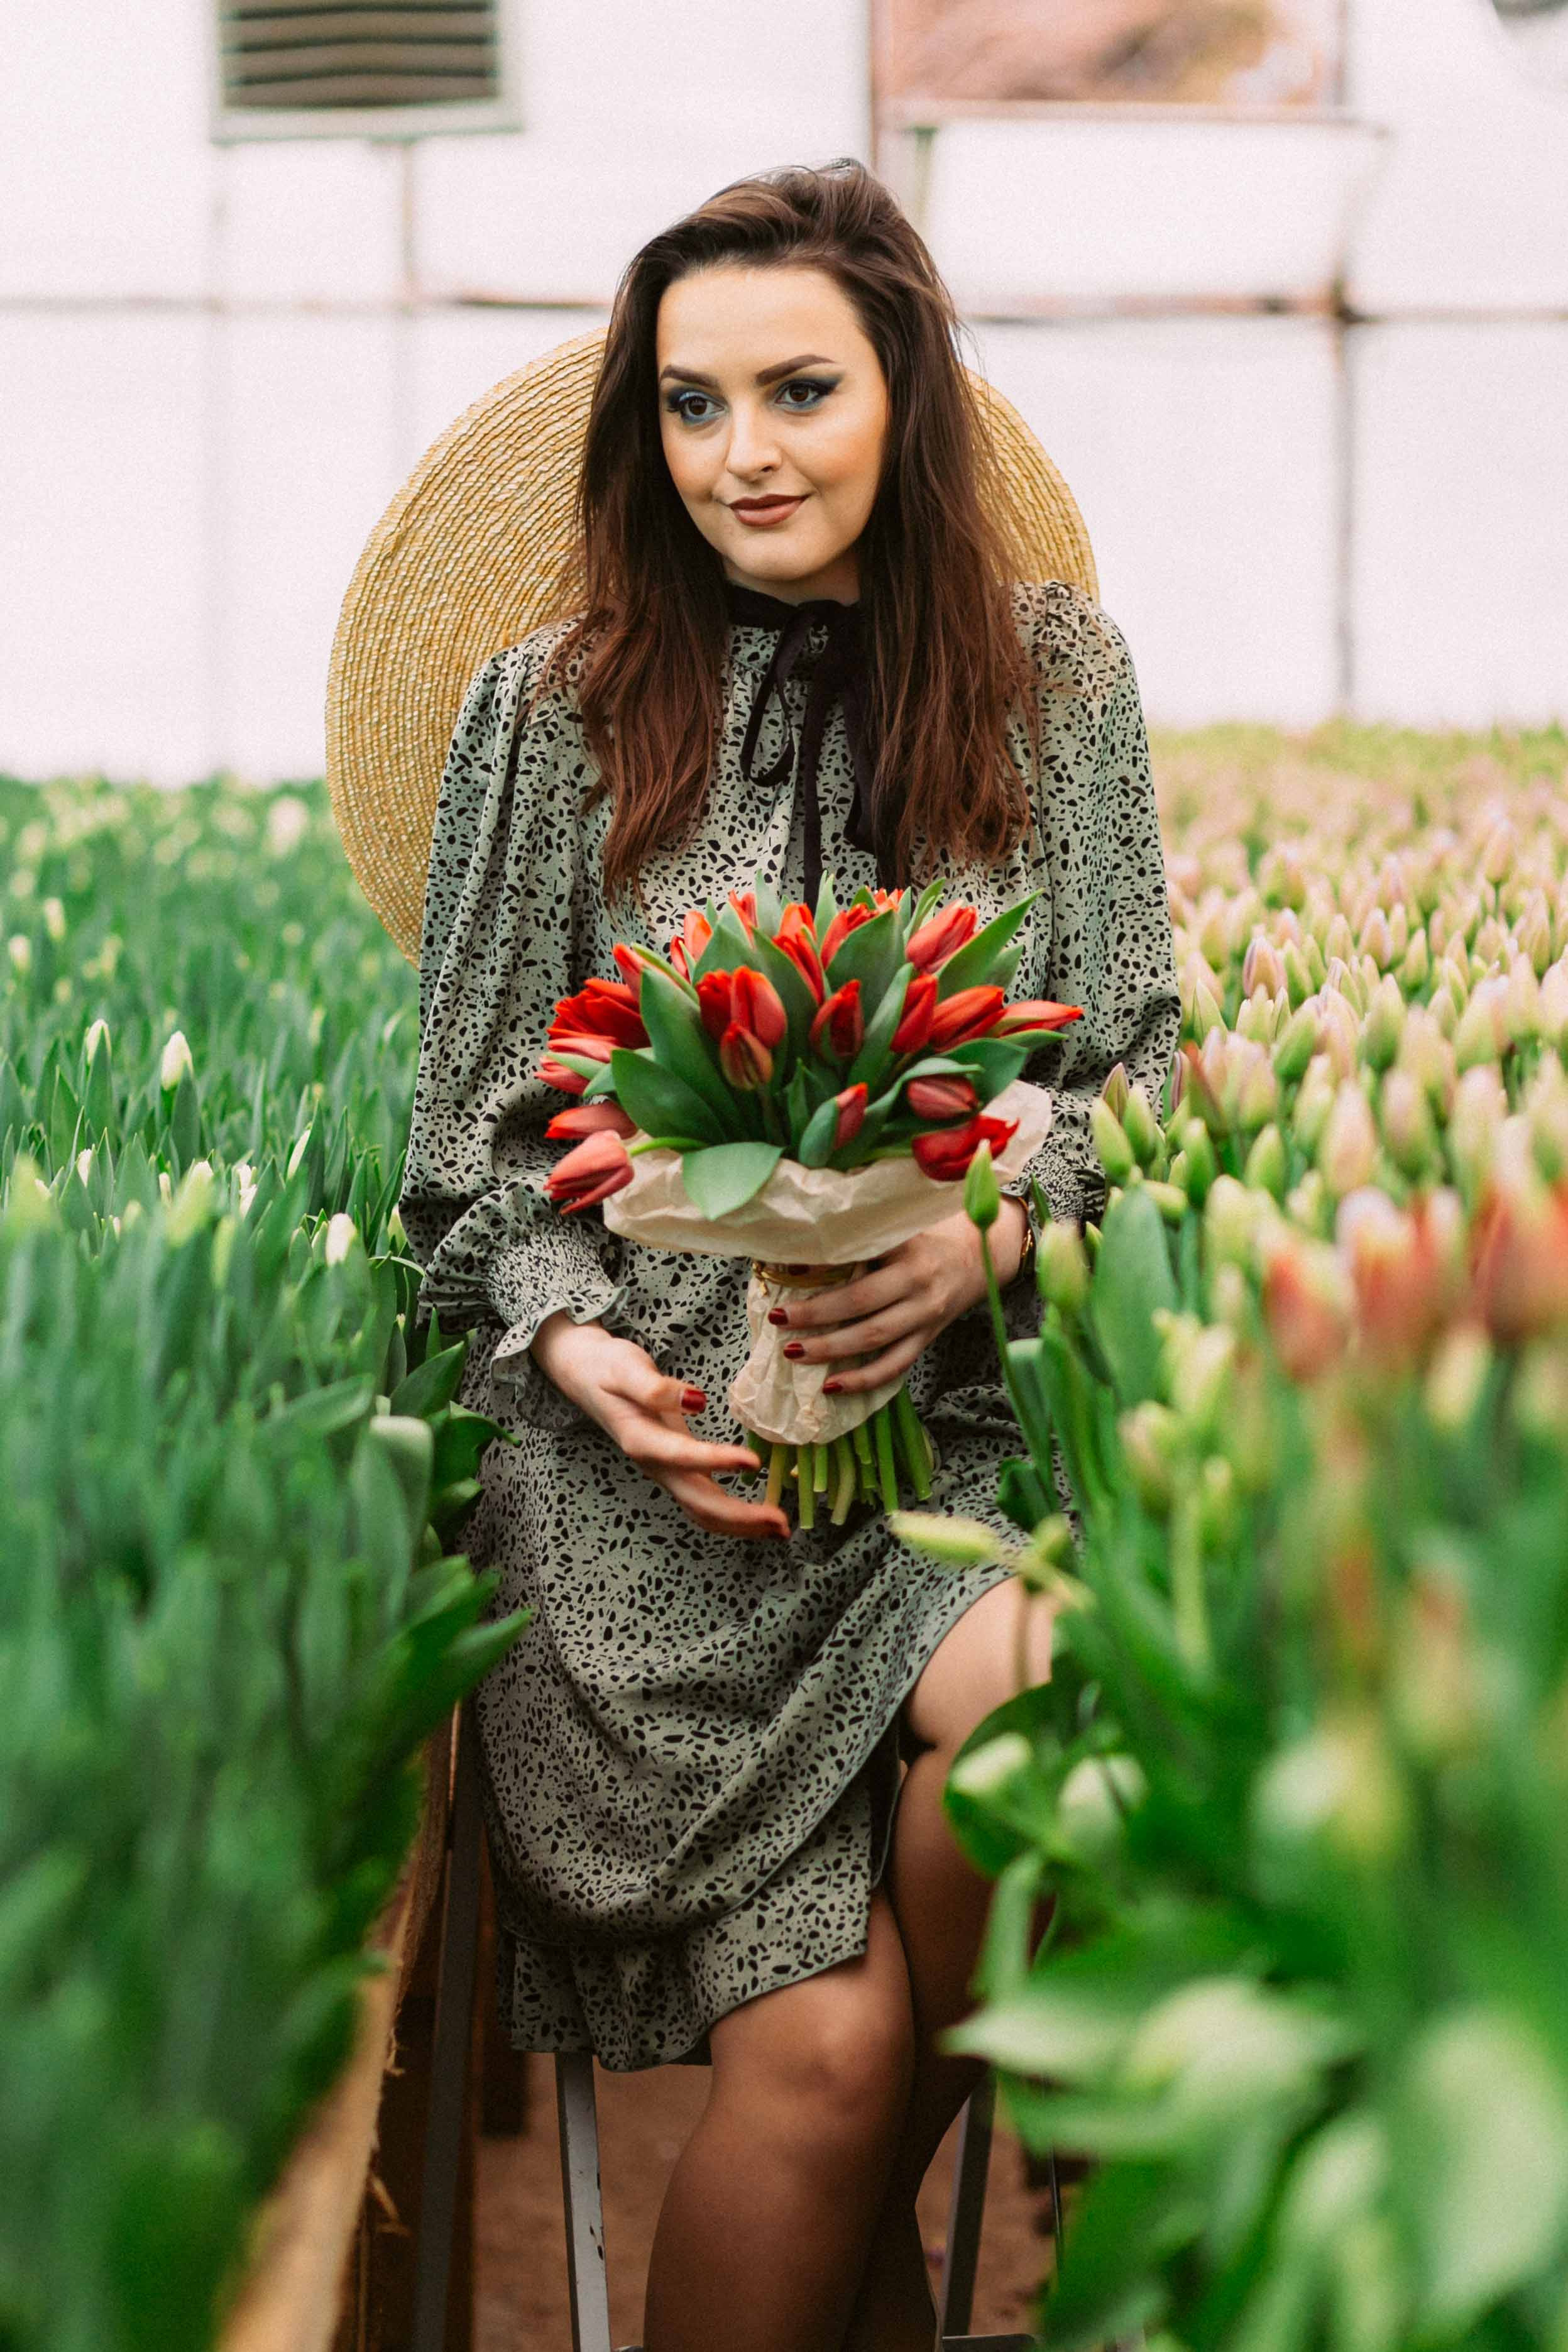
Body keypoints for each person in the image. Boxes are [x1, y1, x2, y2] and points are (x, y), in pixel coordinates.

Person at [398, 158, 1180, 2352]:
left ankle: (847, 2284)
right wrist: (577, 1351)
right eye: (691, 403)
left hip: (944, 1434)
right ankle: (862, 2283)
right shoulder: (549, 708)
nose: (740, 452)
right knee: (826, 2058)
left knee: (1052, 1717)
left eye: (800, 390)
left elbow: (1136, 1067)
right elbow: (467, 1148)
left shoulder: (1053, 683)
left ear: (905, 391)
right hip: (646, 1484)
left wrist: (989, 1239)